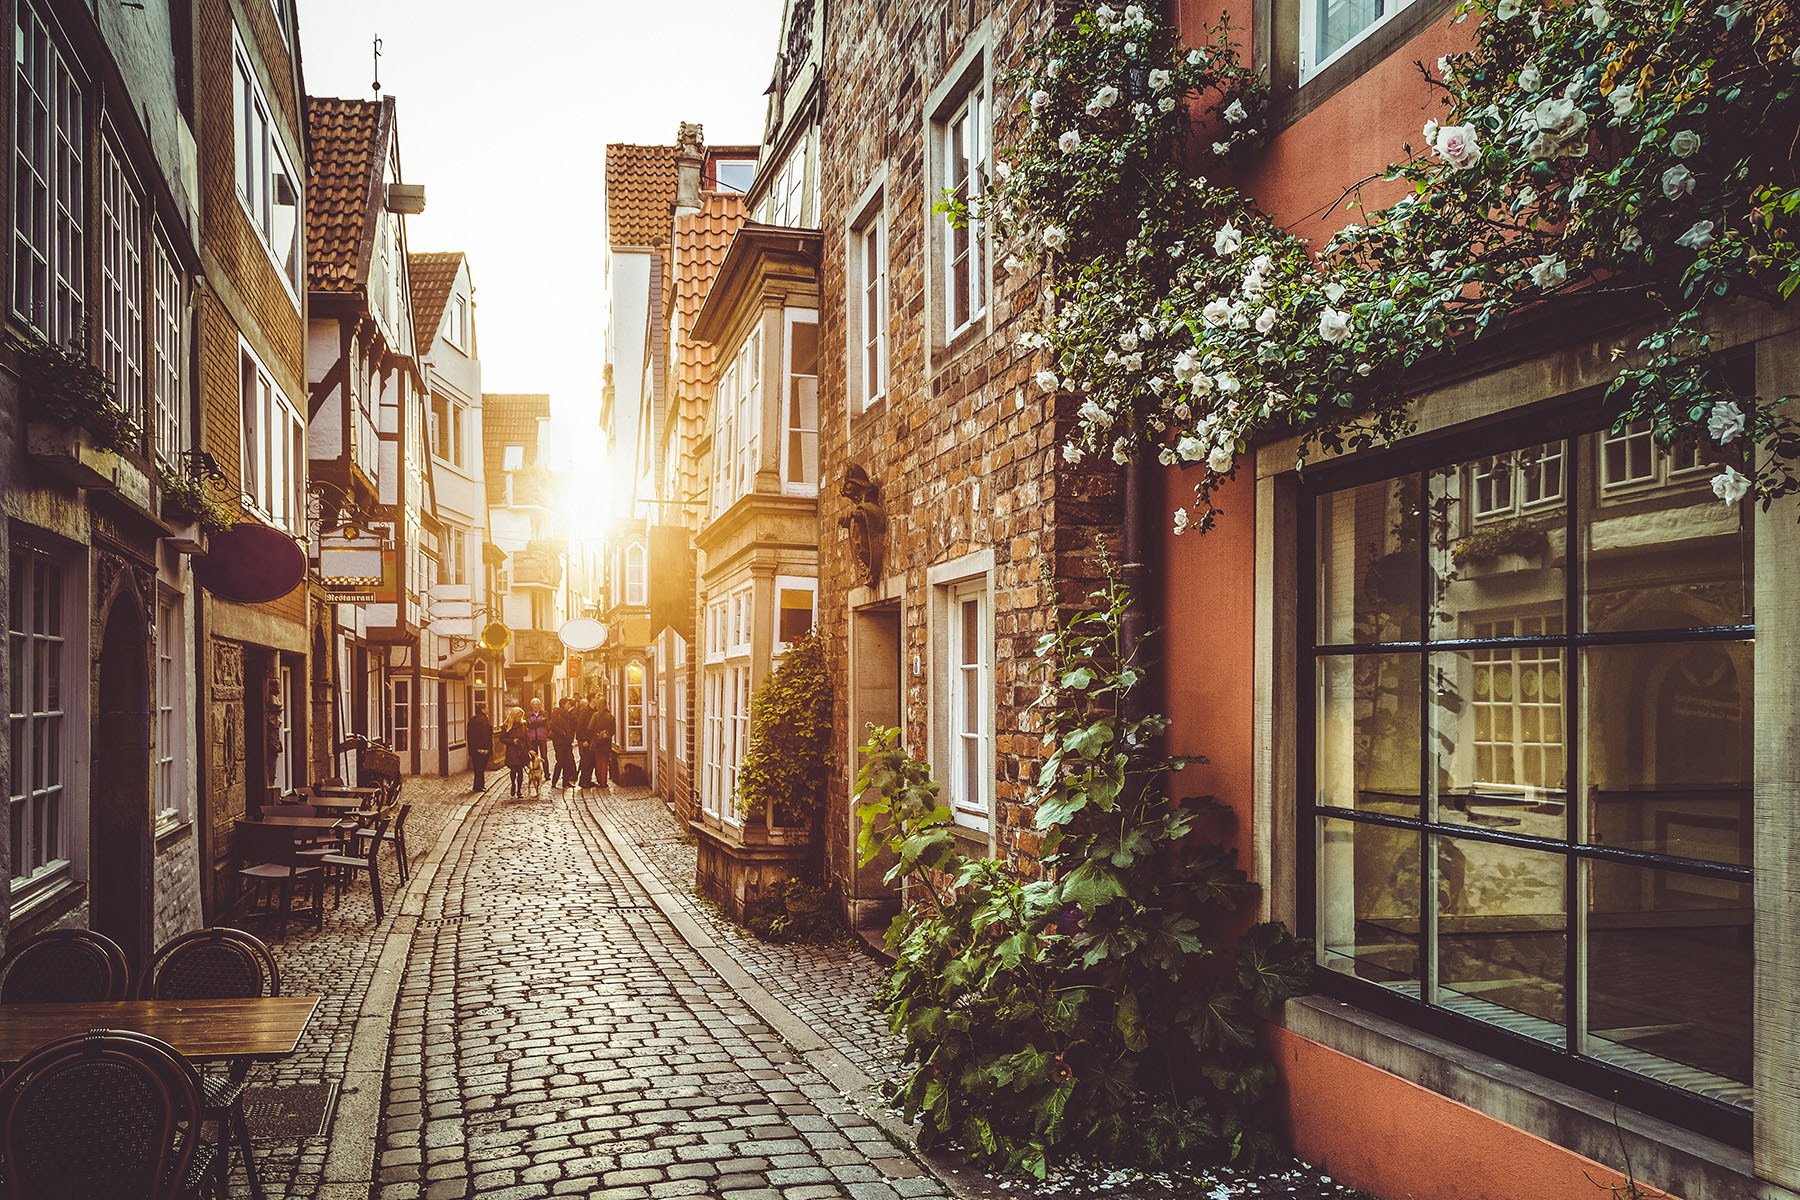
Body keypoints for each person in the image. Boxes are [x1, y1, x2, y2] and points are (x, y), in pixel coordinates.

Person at [500, 706, 529, 798]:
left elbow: (527, 738)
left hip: (522, 750)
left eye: (521, 716)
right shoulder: (506, 725)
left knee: (520, 771)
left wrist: (530, 749)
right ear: (513, 716)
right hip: (512, 751)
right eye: (518, 716)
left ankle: (519, 791)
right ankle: (513, 784)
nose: (519, 718)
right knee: (513, 770)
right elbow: (502, 739)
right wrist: (512, 741)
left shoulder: (523, 724)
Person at [548, 698, 577, 789]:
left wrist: (570, 735)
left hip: (567, 741)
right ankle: (554, 781)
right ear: (563, 704)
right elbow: (553, 726)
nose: (569, 705)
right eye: (568, 704)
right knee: (560, 761)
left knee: (567, 762)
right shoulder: (556, 713)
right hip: (559, 741)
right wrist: (562, 733)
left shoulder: (569, 714)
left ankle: (566, 782)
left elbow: (573, 726)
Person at [467, 705, 493, 792]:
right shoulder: (484, 720)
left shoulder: (472, 720)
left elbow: (470, 736)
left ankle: (477, 786)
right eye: (487, 708)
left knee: (477, 768)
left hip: (474, 749)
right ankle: (479, 786)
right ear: (482, 710)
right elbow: (485, 735)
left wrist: (473, 748)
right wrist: (485, 748)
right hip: (482, 749)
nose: (488, 710)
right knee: (481, 768)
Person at [592, 701, 617, 789]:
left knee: (598, 763)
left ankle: (599, 781)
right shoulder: (611, 717)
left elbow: (590, 728)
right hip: (606, 743)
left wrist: (597, 734)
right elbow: (613, 731)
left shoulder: (595, 716)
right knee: (604, 763)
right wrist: (606, 734)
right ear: (606, 705)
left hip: (597, 742)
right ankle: (604, 782)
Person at [524, 696, 550, 766]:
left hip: (542, 737)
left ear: (539, 705)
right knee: (534, 757)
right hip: (532, 738)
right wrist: (540, 721)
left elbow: (545, 723)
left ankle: (547, 775)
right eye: (534, 704)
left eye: (537, 704)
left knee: (544, 756)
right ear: (531, 705)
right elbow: (529, 724)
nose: (535, 706)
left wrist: (534, 722)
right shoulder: (528, 714)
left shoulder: (544, 713)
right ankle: (535, 773)